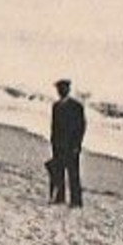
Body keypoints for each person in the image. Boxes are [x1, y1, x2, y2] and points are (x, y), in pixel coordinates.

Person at [49, 78, 86, 206]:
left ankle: (76, 200)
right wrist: (53, 142)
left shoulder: (76, 106)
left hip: (71, 145)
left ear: (68, 89)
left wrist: (77, 144)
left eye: (63, 88)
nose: (60, 91)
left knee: (73, 173)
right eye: (59, 89)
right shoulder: (56, 106)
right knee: (59, 171)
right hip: (58, 144)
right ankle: (60, 197)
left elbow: (81, 127)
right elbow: (53, 127)